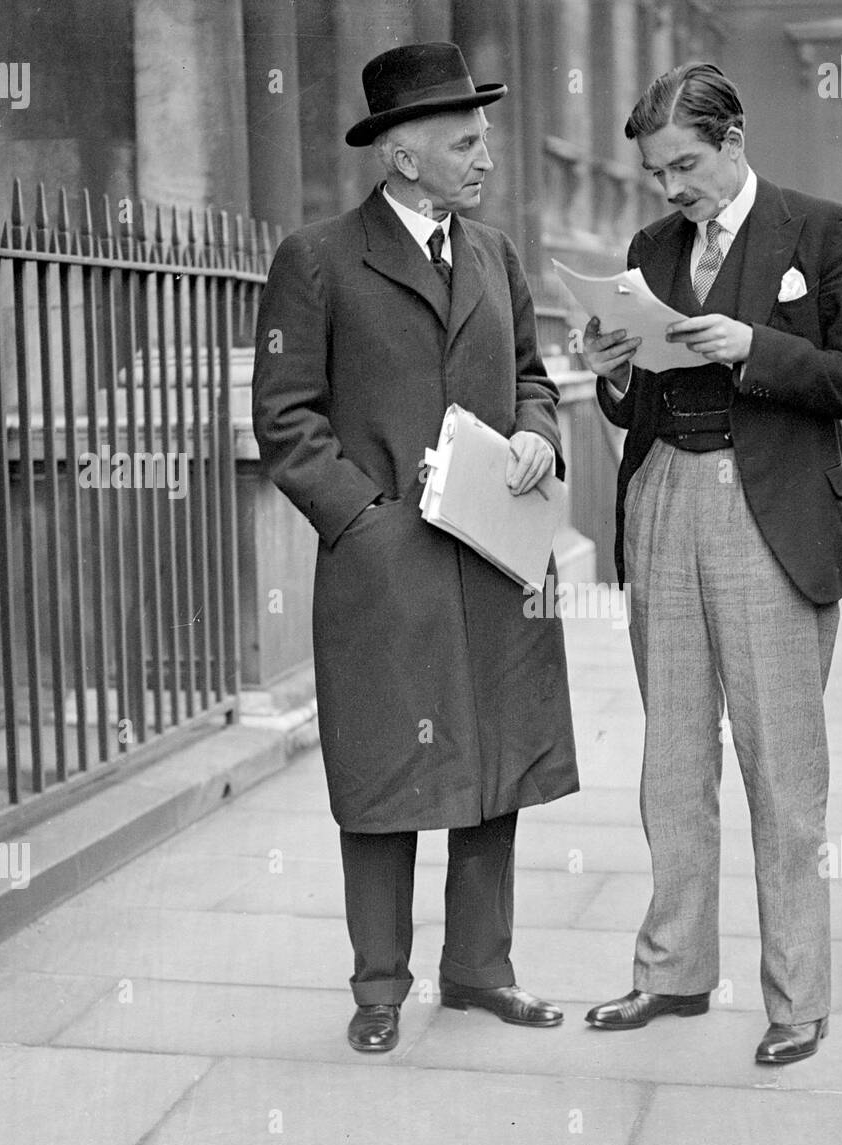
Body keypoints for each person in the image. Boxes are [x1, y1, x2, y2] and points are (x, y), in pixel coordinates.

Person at [253, 42, 578, 1054]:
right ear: (402, 159)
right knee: (386, 777)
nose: (485, 159)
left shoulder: (494, 254)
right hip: (386, 572)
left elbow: (532, 376)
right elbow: (287, 420)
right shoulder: (316, 260)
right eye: (465, 142)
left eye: (483, 140)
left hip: (494, 560)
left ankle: (481, 970)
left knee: (497, 767)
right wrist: (366, 523)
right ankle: (379, 987)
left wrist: (537, 432)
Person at [582, 62, 842, 1064]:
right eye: (655, 171)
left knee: (782, 769)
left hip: (772, 510)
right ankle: (670, 973)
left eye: (682, 165)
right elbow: (635, 408)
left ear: (733, 140)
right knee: (670, 759)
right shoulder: (649, 246)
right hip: (664, 493)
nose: (669, 189)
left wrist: (756, 346)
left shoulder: (822, 230)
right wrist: (615, 375)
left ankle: (797, 998)